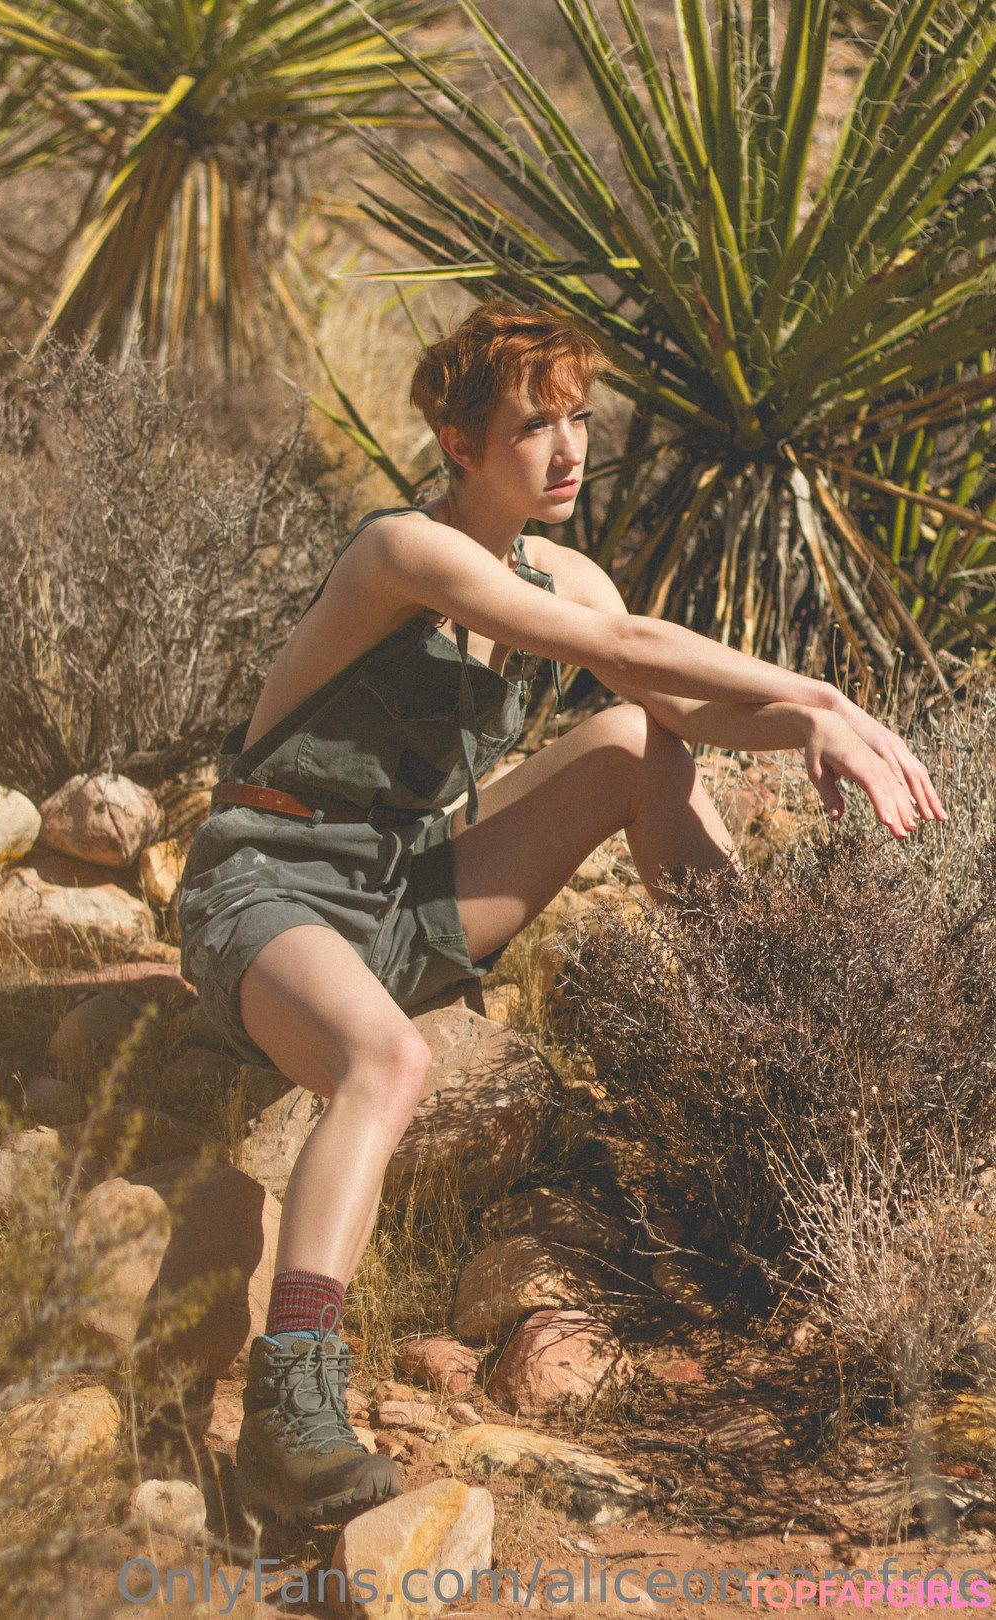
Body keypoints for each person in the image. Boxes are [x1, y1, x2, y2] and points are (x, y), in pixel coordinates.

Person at [177, 301, 945, 1525]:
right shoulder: (403, 553)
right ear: (459, 442)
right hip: (269, 884)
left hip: (399, 892)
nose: (572, 448)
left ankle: (783, 1051)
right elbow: (626, 635)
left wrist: (811, 725)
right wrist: (824, 695)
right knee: (388, 1060)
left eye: (580, 418)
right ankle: (293, 1400)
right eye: (536, 425)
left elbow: (676, 699)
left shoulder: (562, 570)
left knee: (636, 739)